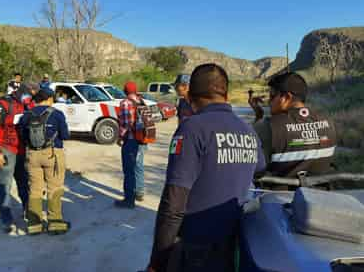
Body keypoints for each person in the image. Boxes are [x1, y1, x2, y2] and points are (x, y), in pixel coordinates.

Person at [144, 63, 265, 272]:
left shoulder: (192, 128)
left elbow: (173, 204)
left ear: (190, 96)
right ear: (226, 95)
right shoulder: (248, 130)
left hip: (197, 250)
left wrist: (158, 260)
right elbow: (259, 166)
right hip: (235, 242)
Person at [249, 72, 337, 177]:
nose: (269, 102)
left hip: (276, 192)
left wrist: (259, 117)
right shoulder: (329, 122)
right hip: (320, 191)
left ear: (286, 97)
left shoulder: (268, 126)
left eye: (272, 96)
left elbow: (252, 165)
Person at [20, 88, 70, 235]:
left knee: (35, 189)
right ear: (49, 99)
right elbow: (65, 135)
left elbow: (23, 136)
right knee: (54, 188)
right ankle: (55, 223)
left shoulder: (26, 115)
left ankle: (34, 225)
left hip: (32, 155)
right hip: (52, 154)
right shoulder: (57, 114)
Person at [0, 83, 34, 233]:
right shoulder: (1, 105)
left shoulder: (27, 105)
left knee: (24, 182)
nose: (29, 98)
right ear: (19, 93)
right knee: (5, 184)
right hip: (5, 150)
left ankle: (28, 211)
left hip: (21, 150)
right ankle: (6, 218)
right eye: (28, 95)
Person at [115, 81, 147, 209]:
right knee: (139, 165)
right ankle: (139, 192)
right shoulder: (141, 101)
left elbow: (126, 124)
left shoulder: (125, 103)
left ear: (125, 90)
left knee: (129, 170)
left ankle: (129, 200)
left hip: (131, 140)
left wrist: (120, 137)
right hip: (143, 139)